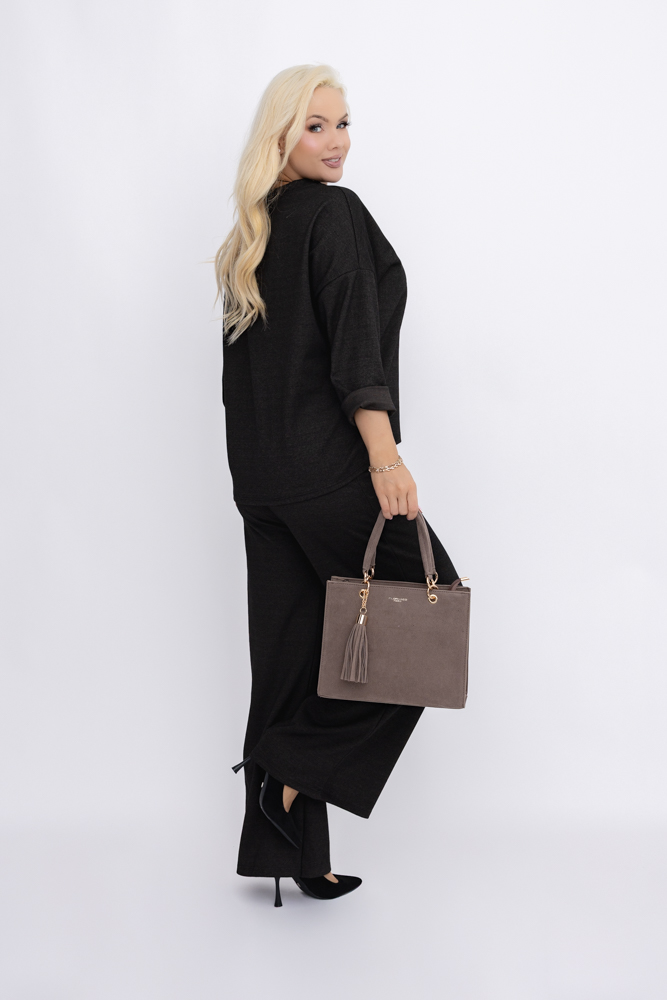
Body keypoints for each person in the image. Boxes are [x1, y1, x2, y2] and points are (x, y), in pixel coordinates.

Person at [215, 64, 459, 907]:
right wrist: (384, 460)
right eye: (315, 125)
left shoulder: (250, 234)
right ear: (279, 134)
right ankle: (290, 767)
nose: (336, 141)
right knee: (427, 617)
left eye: (344, 123)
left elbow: (243, 381)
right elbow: (356, 349)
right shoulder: (332, 213)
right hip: (324, 473)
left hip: (261, 481)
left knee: (287, 664)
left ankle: (290, 853)